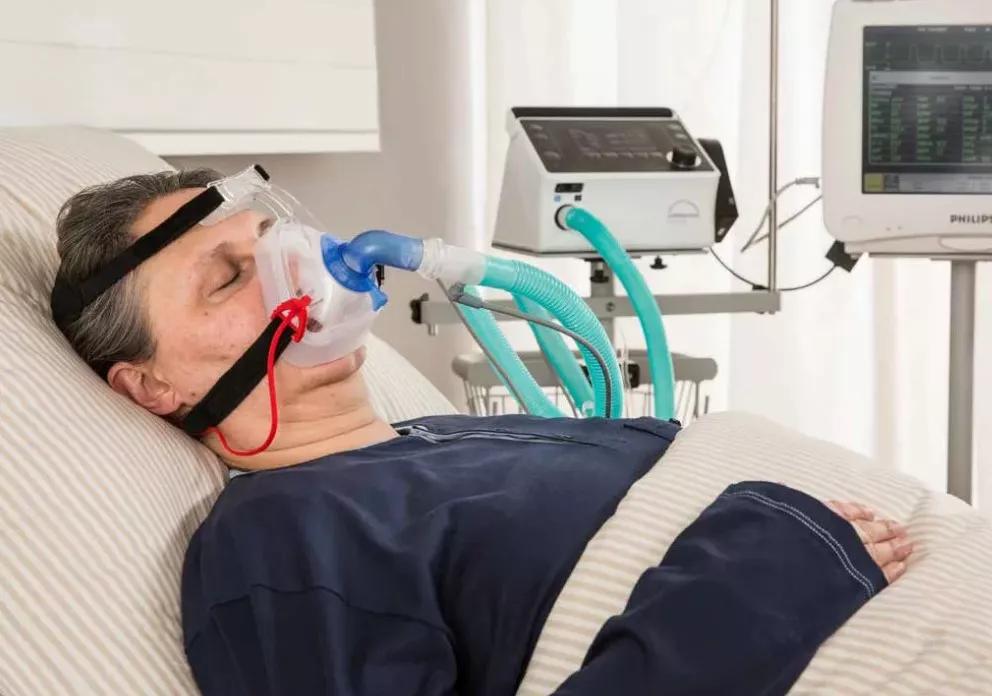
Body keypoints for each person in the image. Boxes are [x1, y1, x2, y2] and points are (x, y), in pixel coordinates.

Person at [51, 169, 914, 695]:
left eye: (273, 239)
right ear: (152, 385)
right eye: (227, 279)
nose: (297, 266)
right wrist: (774, 575)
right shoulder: (279, 539)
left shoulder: (441, 439)